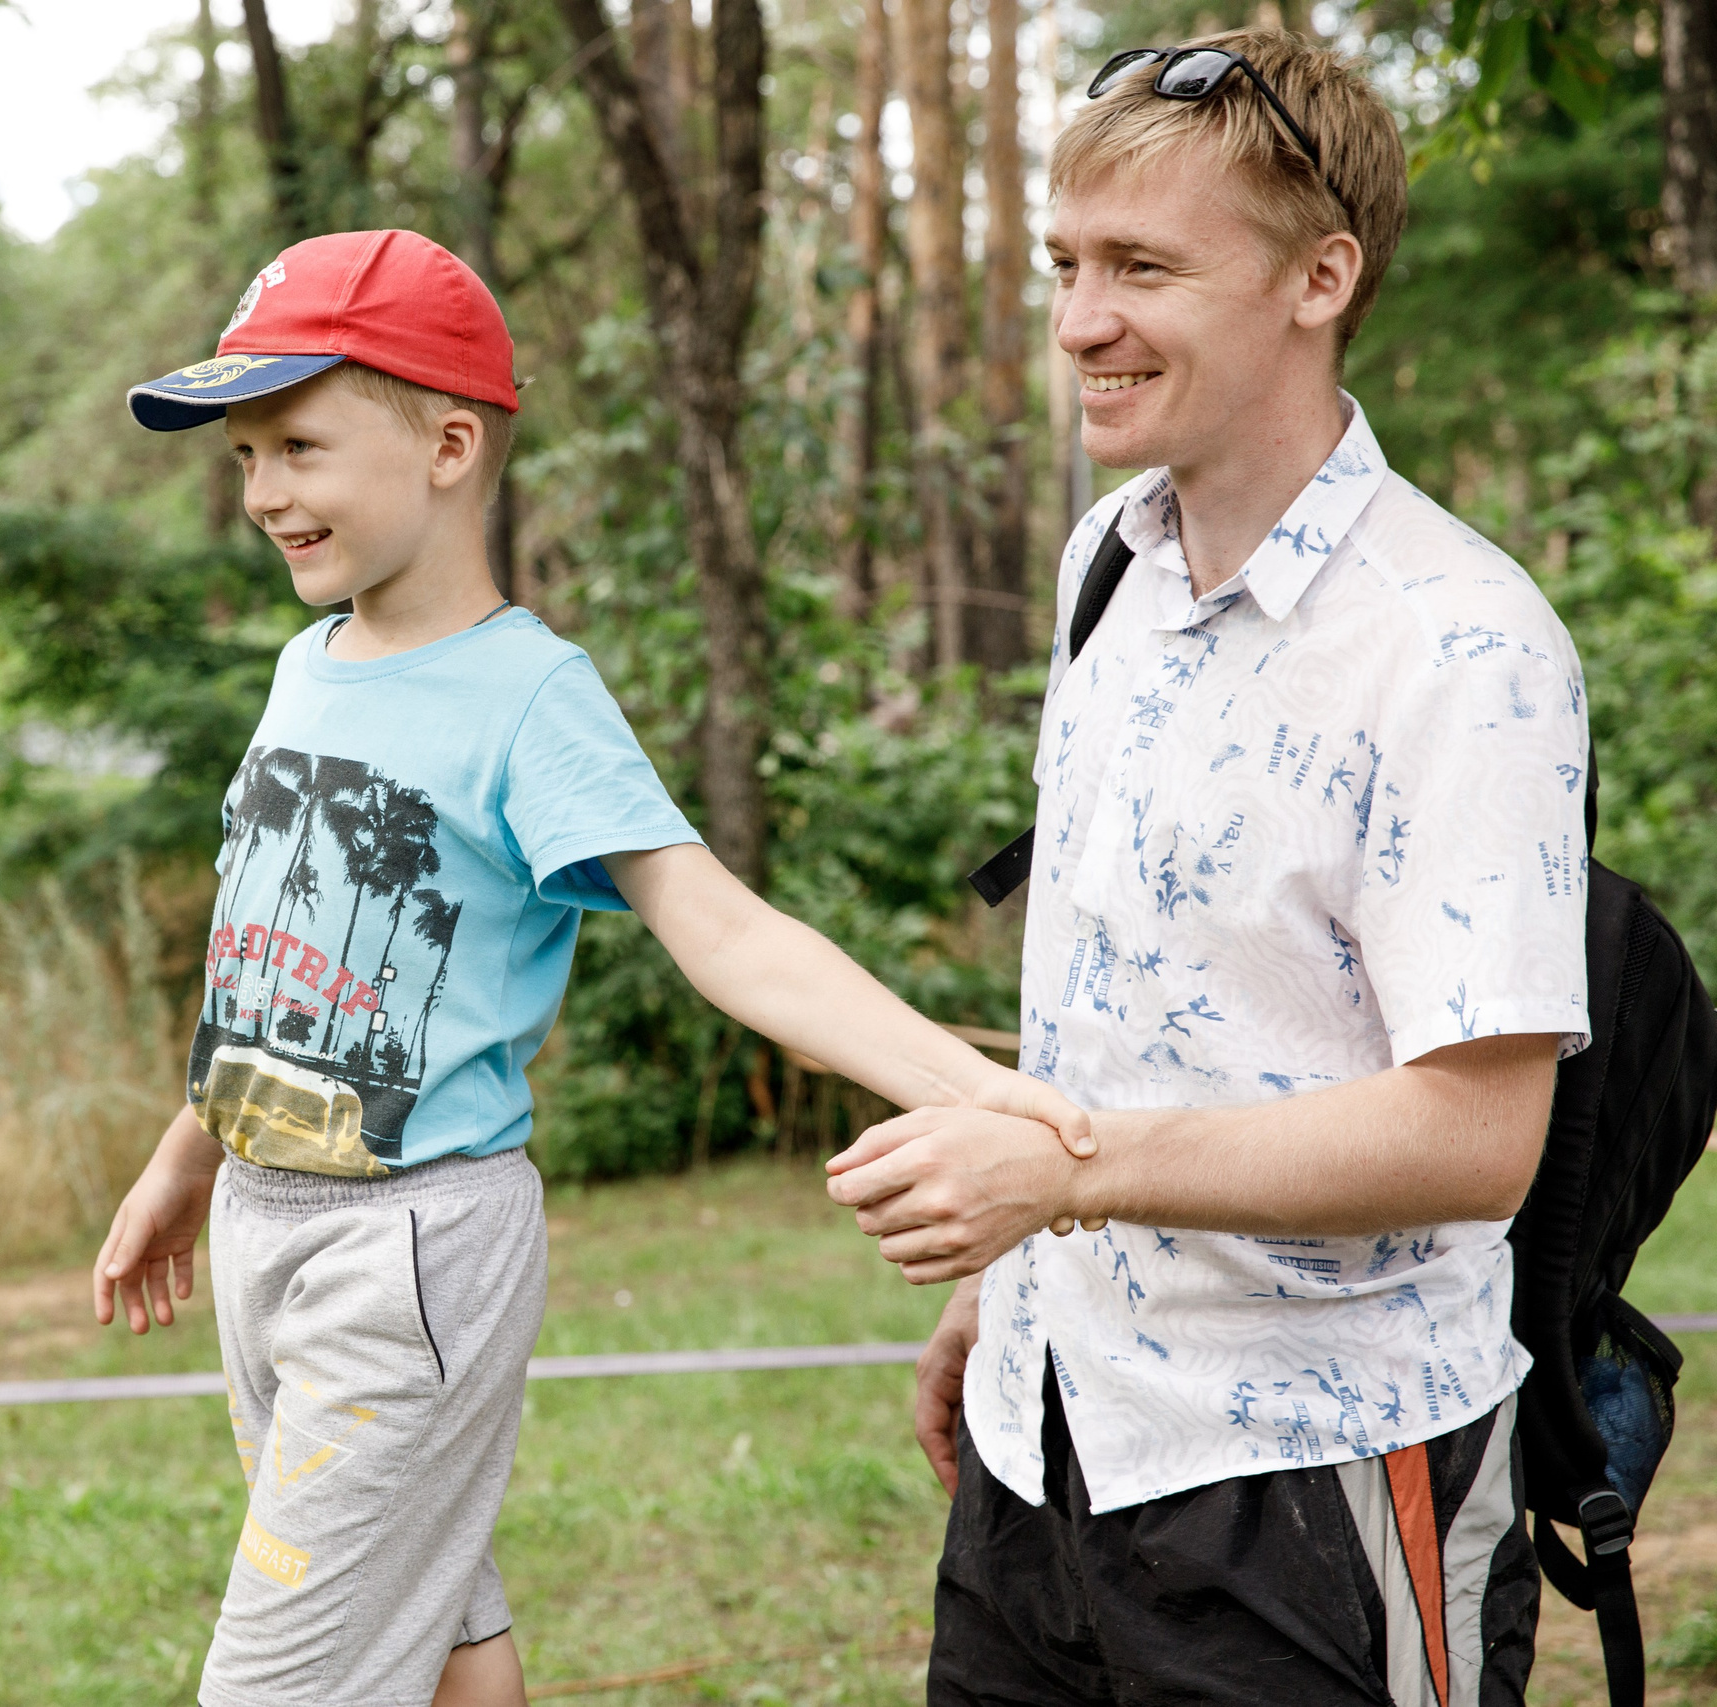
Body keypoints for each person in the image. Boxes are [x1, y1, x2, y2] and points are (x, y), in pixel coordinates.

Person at [94, 227, 1091, 1707]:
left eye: (297, 444)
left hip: (409, 1252)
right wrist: (191, 1151)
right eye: (243, 456)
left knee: (280, 1678)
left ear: (447, 443)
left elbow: (726, 931)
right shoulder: (309, 667)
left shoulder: (529, 696)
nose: (261, 495)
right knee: (438, 1640)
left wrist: (983, 1091)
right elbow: (278, 962)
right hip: (263, 1222)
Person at [824, 30, 1590, 1707]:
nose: (1080, 320)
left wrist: (1071, 1178)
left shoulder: (1461, 642)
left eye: (1143, 268)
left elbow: (1479, 1132)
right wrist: (1023, 1292)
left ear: (1321, 277)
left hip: (1315, 1472)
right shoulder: (1112, 562)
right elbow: (1128, 999)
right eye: (1067, 266)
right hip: (1051, 1448)